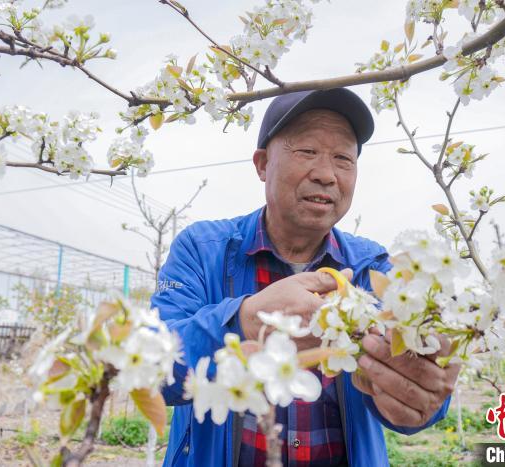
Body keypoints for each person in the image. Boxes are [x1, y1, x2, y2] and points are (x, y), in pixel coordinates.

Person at [153, 88, 460, 467]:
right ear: (263, 164)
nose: (327, 175)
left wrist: (422, 396)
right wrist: (244, 322)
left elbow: (417, 393)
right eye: (307, 152)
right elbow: (154, 366)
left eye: (343, 158)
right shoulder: (202, 249)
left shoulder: (375, 270)